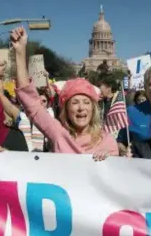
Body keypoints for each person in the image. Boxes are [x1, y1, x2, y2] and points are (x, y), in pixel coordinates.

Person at [10, 26, 118, 160]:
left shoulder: (108, 142)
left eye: (86, 102)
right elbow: (31, 103)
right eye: (75, 102)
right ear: (66, 108)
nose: (81, 108)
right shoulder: (58, 133)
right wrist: (20, 52)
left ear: (93, 108)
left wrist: (112, 160)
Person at [117, 65, 151, 153]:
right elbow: (121, 142)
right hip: (140, 165)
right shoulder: (131, 112)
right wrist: (124, 153)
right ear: (145, 87)